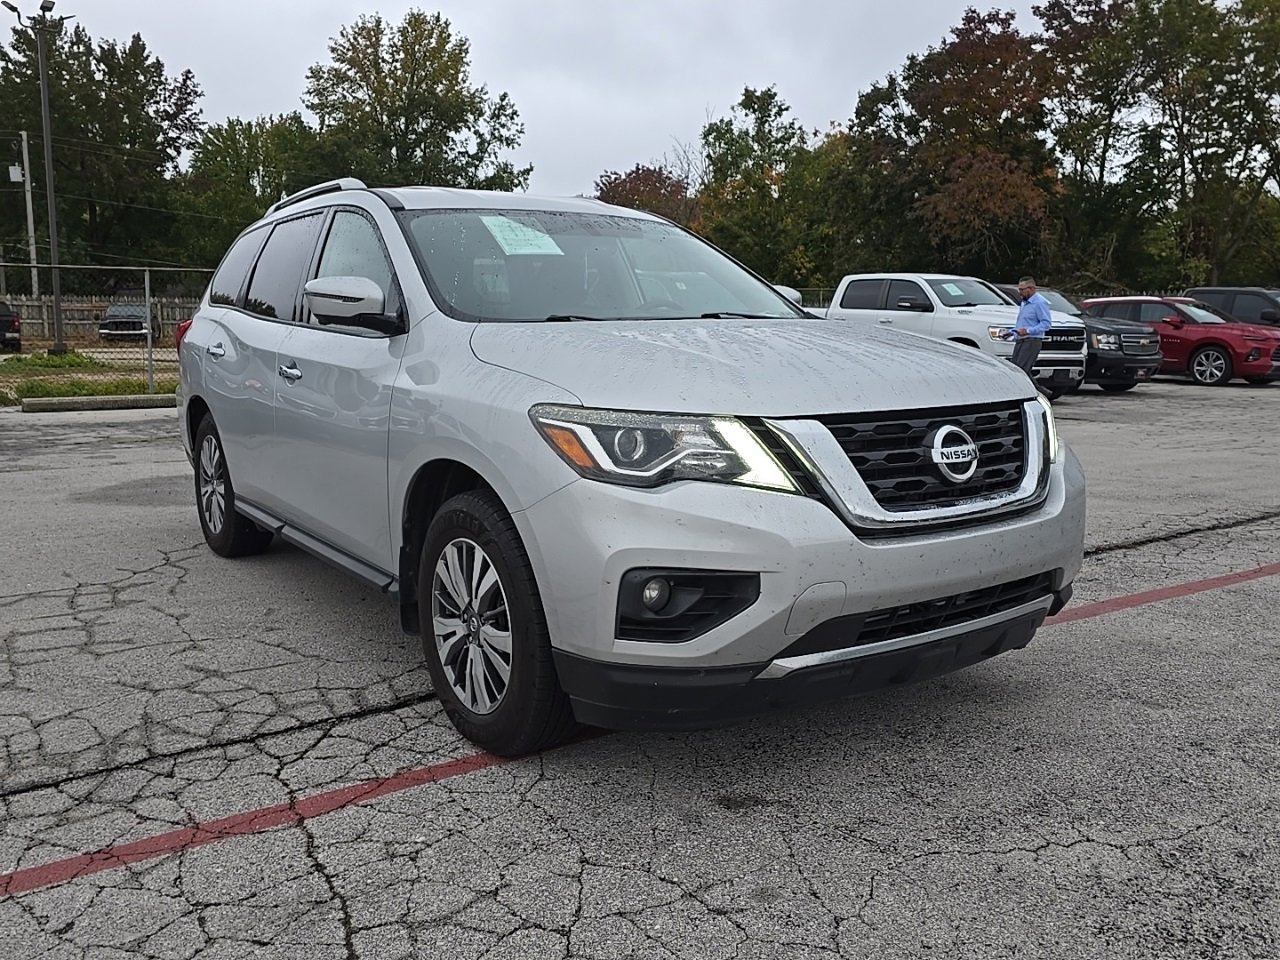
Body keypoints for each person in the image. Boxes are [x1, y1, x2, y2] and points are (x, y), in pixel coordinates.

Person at [1009, 276, 1053, 383]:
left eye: (1022, 290)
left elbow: (1046, 324)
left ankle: (1038, 393)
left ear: (1032, 288)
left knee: (1021, 371)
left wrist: (1028, 331)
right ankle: (1043, 393)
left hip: (1031, 340)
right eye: (1019, 289)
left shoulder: (1040, 303)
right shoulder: (1024, 302)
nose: (1020, 292)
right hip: (1020, 340)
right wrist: (1011, 332)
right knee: (1016, 369)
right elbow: (1023, 322)